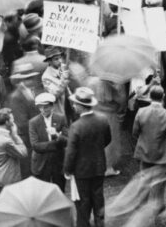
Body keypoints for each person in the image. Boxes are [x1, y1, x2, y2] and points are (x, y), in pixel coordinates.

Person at [64, 87, 111, 227]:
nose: (73, 106)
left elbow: (71, 152)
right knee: (98, 201)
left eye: (75, 104)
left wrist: (67, 170)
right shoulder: (103, 119)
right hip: (99, 167)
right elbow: (108, 139)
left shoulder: (76, 126)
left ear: (80, 106)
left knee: (83, 205)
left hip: (82, 171)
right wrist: (95, 150)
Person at [28, 92, 68, 190]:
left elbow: (67, 140)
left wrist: (57, 135)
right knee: (43, 193)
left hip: (58, 163)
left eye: (45, 107)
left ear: (52, 106)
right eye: (40, 107)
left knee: (59, 191)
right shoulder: (33, 122)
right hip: (41, 163)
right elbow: (35, 146)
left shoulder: (61, 118)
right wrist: (56, 143)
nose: (43, 110)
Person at [0, 108, 28, 190]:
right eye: (12, 119)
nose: (14, 121)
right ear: (7, 122)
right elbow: (23, 153)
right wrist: (15, 135)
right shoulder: (6, 141)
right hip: (7, 179)